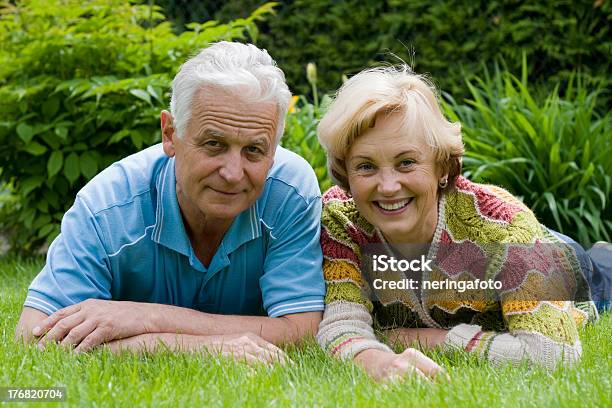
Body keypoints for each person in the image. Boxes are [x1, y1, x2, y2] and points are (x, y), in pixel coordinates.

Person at [15, 42, 325, 363]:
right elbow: (33, 336)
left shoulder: (290, 191)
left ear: (273, 152)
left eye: (254, 150)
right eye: (214, 143)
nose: (233, 174)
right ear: (169, 133)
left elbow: (302, 330)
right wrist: (204, 349)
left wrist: (148, 318)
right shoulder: (107, 207)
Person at [315, 65, 599, 381]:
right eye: (366, 166)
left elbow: (553, 354)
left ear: (442, 167)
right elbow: (341, 324)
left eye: (406, 162)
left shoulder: (504, 226)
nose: (388, 186)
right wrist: (374, 359)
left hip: (568, 262)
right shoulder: (341, 220)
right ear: (346, 174)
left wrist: (429, 339)